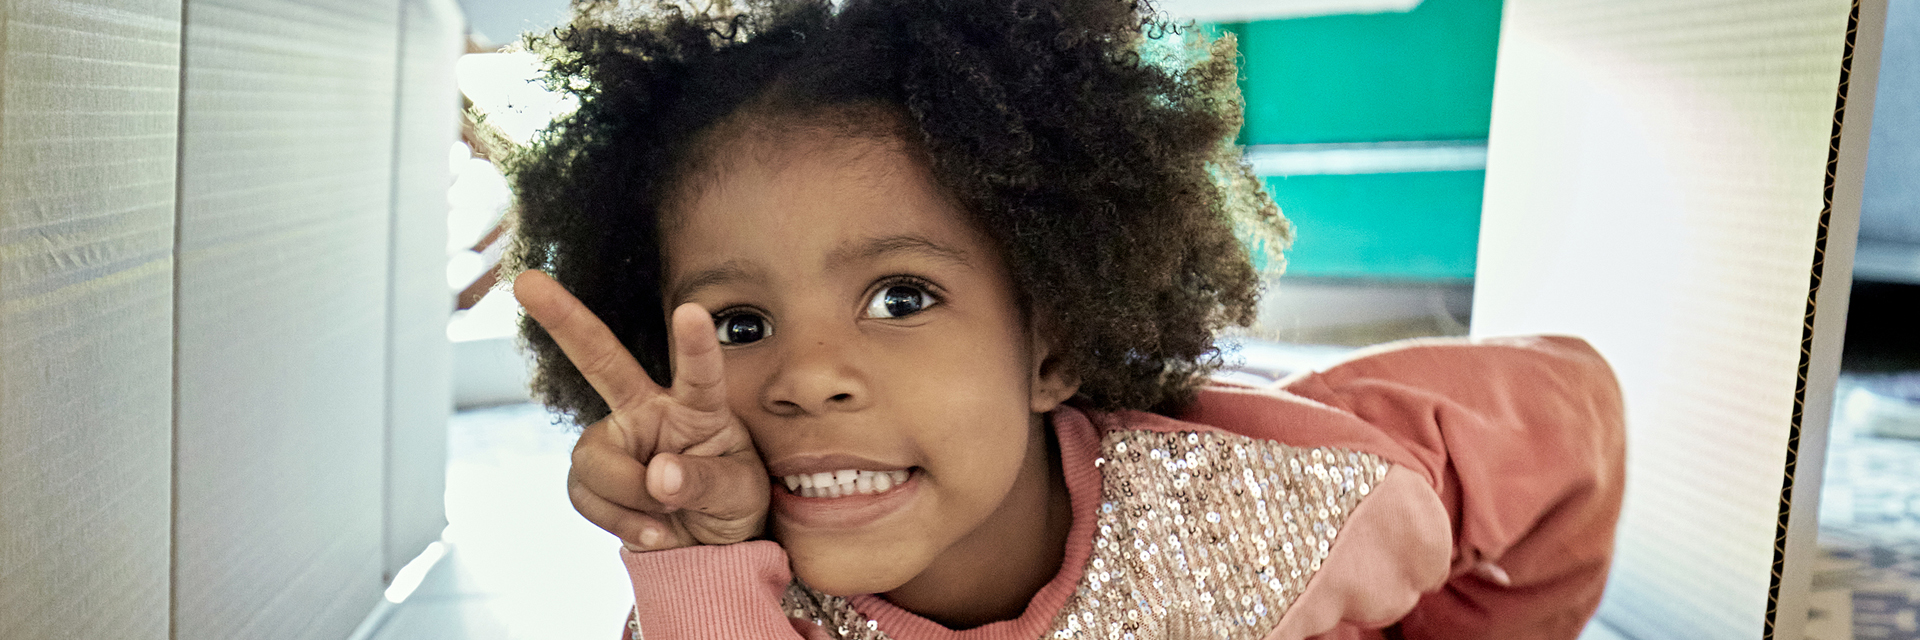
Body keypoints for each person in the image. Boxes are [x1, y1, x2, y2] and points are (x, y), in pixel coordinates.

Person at [501, 0, 1627, 638]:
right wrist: (697, 554)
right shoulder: (731, 592)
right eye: (740, 323)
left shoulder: (1294, 495)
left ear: (1048, 340)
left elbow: (1564, 410)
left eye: (901, 297)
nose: (805, 376)